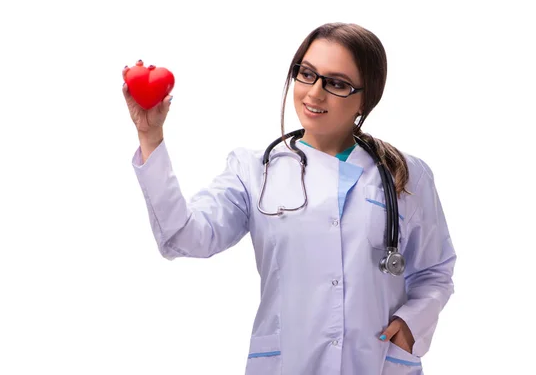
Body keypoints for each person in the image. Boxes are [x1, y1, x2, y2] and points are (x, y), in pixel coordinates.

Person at [123, 22, 456, 375]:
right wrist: (151, 136)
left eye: (337, 83)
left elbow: (436, 270)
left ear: (366, 97)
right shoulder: (254, 170)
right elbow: (182, 237)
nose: (314, 93)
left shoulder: (405, 174)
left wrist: (409, 326)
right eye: (307, 74)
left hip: (376, 362)